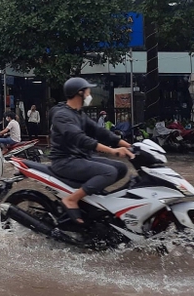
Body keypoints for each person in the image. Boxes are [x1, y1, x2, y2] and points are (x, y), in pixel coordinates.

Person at [49, 77, 134, 224]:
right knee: (109, 172)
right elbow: (81, 139)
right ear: (80, 93)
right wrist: (112, 151)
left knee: (121, 168)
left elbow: (100, 132)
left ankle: (93, 199)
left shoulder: (78, 113)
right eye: (88, 90)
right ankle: (71, 199)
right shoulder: (62, 115)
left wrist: (129, 146)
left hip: (80, 157)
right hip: (65, 161)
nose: (90, 93)